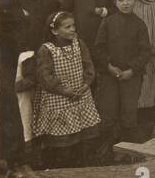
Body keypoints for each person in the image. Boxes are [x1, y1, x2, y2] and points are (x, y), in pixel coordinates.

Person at [0, 0, 40, 178]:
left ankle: (8, 159)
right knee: (4, 100)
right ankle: (15, 164)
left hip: (4, 47)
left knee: (3, 100)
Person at [31, 11, 103, 161]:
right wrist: (63, 90)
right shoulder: (47, 50)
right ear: (55, 30)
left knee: (83, 135)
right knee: (62, 139)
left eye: (73, 26)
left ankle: (82, 163)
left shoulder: (79, 44)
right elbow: (45, 76)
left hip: (81, 94)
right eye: (67, 27)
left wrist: (85, 85)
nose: (72, 29)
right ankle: (61, 164)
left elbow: (88, 66)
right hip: (58, 97)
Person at [92, 0, 152, 157]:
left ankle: (127, 151)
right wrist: (109, 67)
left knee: (129, 112)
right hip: (109, 75)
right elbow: (98, 48)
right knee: (107, 112)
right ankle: (106, 151)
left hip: (131, 77)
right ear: (115, 2)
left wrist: (132, 70)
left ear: (135, 1)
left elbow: (145, 51)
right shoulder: (108, 22)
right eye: (121, 0)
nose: (125, 3)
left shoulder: (140, 24)